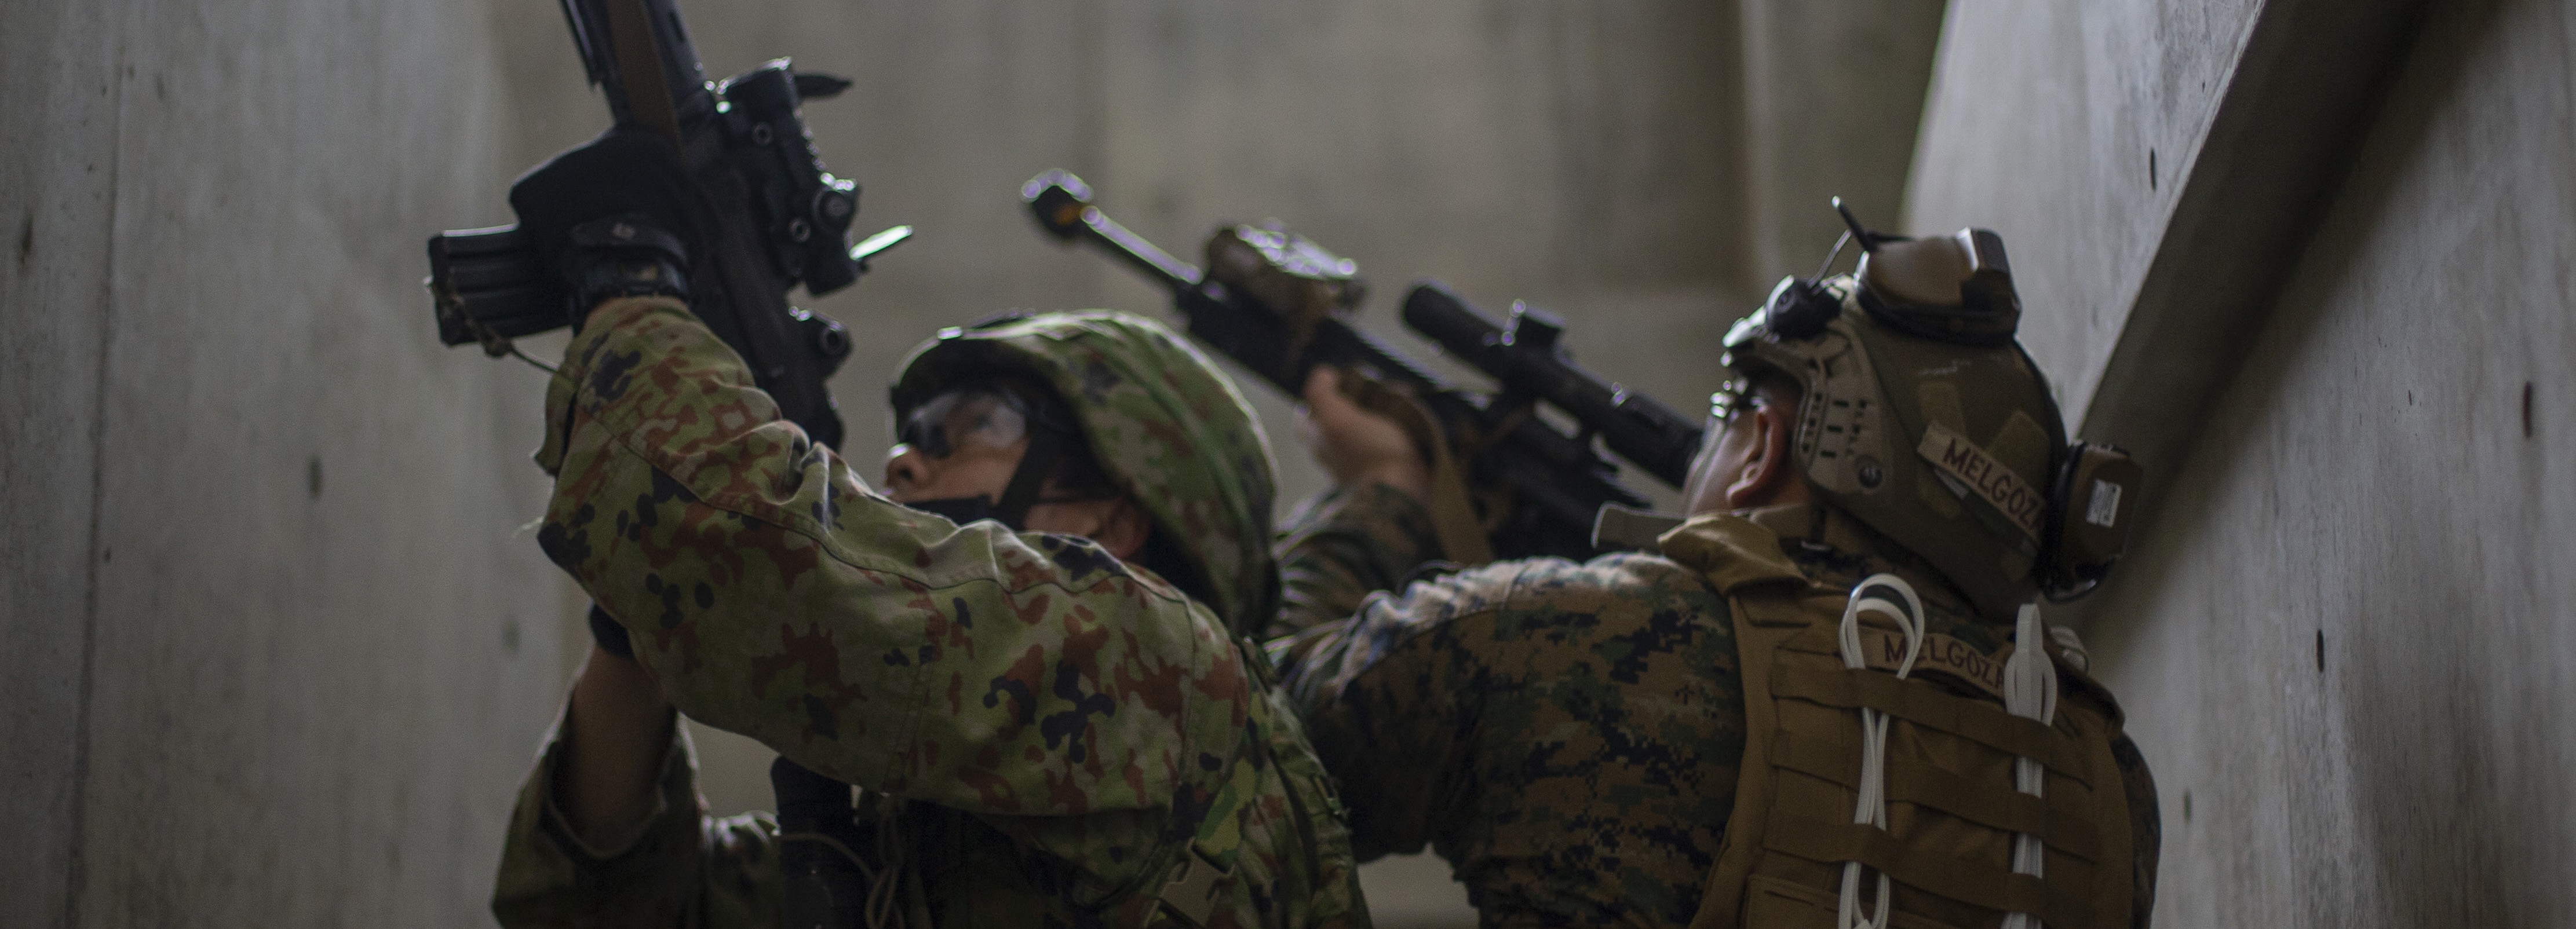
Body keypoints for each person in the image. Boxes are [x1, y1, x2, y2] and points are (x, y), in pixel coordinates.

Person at [482, 134, 1365, 928]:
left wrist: (632, 284)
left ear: (1113, 513)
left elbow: (751, 561)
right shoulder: (920, 853)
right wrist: (632, 625)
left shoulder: (1155, 672)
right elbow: (591, 906)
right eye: (912, 432)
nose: (905, 463)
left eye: (971, 423)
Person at [1273, 229, 2161, 928]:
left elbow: (1246, 726)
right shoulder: (2103, 785)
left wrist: (1382, 496)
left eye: (1723, 416)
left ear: (1763, 449)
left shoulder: (1577, 636)